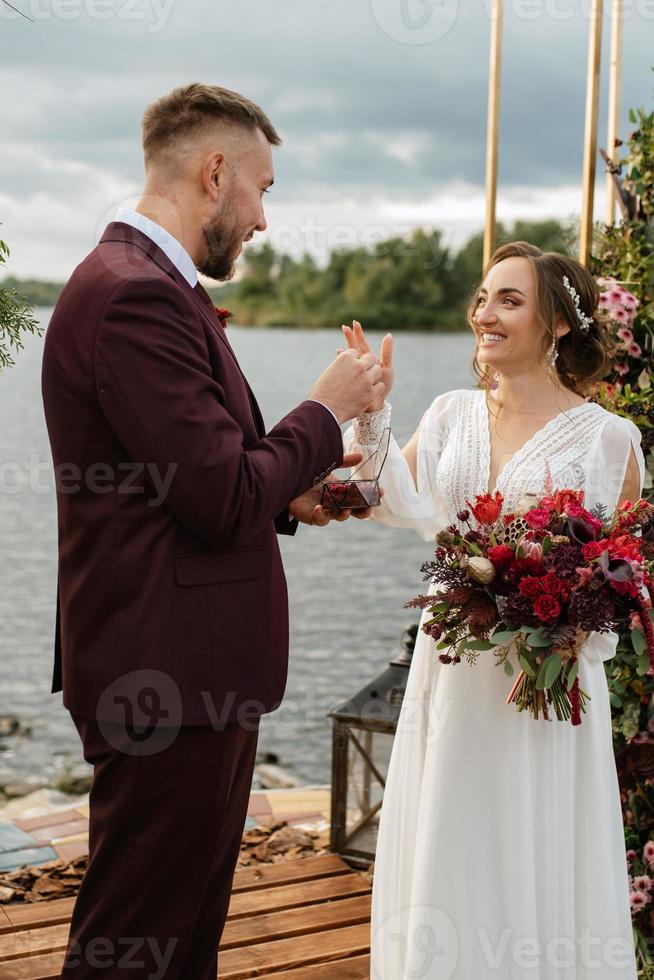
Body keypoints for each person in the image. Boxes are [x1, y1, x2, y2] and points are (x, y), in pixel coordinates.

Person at [41, 82, 385, 979]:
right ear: (216, 171)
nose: (265, 217)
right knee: (137, 940)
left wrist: (290, 497)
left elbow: (204, 475)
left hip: (186, 670)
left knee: (183, 938)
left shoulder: (148, 284)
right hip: (165, 675)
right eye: (264, 188)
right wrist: (324, 408)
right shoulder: (130, 297)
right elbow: (216, 494)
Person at [343, 241, 645, 979]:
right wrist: (373, 415)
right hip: (452, 671)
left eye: (509, 300)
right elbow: (391, 500)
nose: (486, 313)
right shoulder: (451, 415)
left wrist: (577, 618)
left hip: (548, 683)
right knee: (452, 825)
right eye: (483, 298)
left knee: (536, 835)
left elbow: (629, 566)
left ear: (558, 325)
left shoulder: (610, 440)